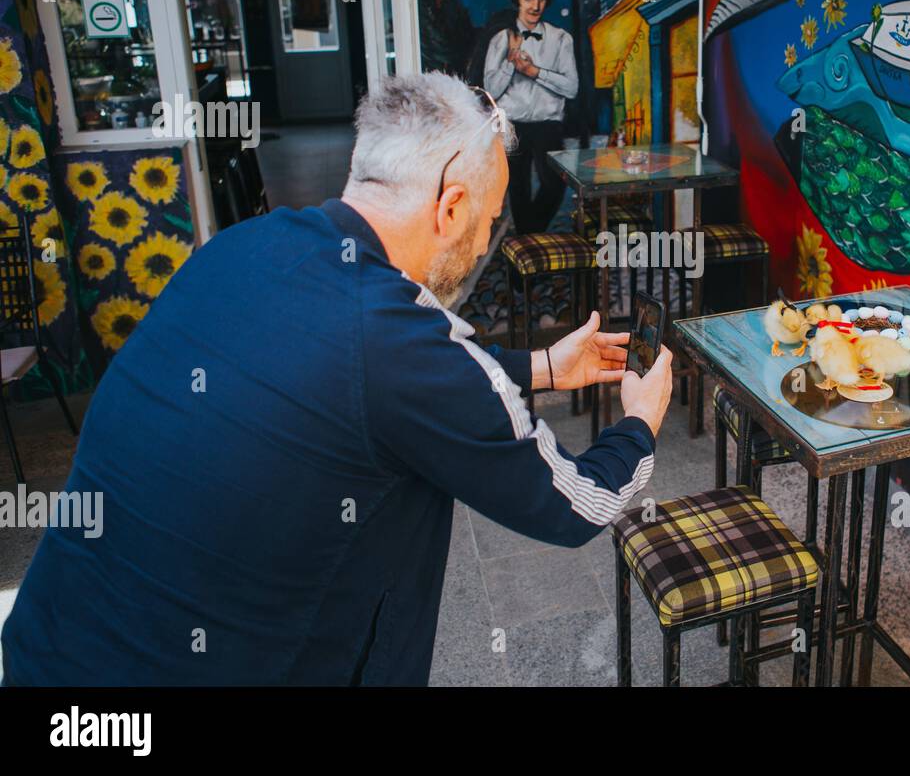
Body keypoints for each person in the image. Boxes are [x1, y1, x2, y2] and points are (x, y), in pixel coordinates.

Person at [1, 72, 674, 686]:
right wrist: (640, 422)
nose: (483, 242)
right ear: (450, 206)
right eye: (490, 217)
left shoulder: (237, 248)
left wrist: (545, 367)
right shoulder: (400, 338)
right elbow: (576, 506)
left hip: (49, 657)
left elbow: (363, 384)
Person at [484, 0, 579, 234]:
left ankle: (529, 237)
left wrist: (534, 72)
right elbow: (491, 89)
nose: (536, 5)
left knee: (555, 183)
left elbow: (571, 88)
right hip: (512, 124)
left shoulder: (561, 39)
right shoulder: (501, 39)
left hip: (548, 124)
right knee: (518, 188)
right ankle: (527, 252)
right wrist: (511, 64)